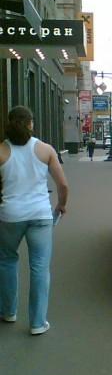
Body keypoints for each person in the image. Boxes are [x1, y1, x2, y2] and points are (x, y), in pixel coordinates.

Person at [0, 106, 69, 335]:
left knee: (7, 261)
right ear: (31, 124)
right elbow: (63, 185)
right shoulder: (45, 149)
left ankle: (9, 312)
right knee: (39, 268)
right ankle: (38, 323)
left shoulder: (1, 150)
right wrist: (61, 205)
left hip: (9, 216)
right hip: (40, 215)